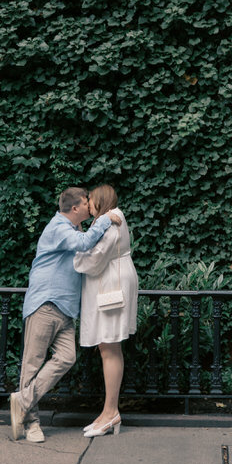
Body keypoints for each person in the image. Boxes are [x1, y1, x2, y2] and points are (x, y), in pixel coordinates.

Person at [9, 186, 121, 443]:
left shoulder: (76, 229)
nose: (90, 205)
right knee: (32, 365)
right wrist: (104, 219)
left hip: (66, 310)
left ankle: (22, 401)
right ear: (75, 208)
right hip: (45, 304)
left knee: (67, 357)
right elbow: (83, 245)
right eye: (86, 202)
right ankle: (31, 424)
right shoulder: (58, 228)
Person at [73, 182, 138, 438]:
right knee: (107, 347)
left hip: (112, 288)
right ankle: (107, 412)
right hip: (112, 285)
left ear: (100, 200)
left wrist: (76, 257)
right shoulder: (108, 221)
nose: (87, 204)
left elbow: (93, 260)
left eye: (90, 200)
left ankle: (111, 413)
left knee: (109, 346)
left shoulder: (112, 223)